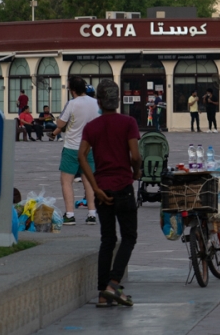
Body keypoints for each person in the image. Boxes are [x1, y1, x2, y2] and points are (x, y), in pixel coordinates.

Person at [77, 79, 141, 308]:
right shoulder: (128, 122)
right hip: (123, 187)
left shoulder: (92, 127)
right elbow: (135, 155)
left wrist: (95, 188)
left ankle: (103, 295)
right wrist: (136, 171)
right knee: (129, 237)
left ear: (99, 102)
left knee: (108, 239)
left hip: (102, 188)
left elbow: (81, 156)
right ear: (118, 100)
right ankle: (113, 284)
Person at [47, 77, 100, 226]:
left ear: (72, 90)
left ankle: (70, 214)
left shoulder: (72, 103)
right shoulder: (96, 103)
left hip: (71, 147)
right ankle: (92, 214)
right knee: (89, 181)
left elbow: (60, 123)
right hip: (89, 147)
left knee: (66, 181)